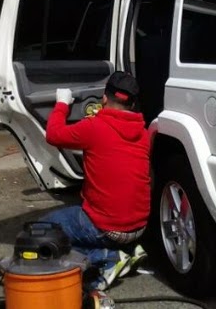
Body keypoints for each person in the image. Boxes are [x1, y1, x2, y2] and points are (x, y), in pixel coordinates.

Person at [42, 71, 151, 293]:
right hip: (140, 226)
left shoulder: (93, 127)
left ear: (103, 98)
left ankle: (108, 258)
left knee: (45, 231)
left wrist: (62, 104)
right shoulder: (144, 132)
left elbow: (53, 134)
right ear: (132, 104)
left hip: (107, 229)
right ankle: (131, 251)